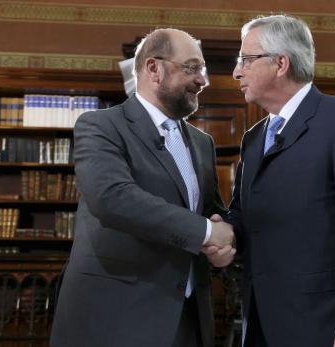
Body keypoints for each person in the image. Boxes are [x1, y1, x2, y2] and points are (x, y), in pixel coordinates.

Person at [213, 14, 335, 347]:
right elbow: (244, 217)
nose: (236, 72)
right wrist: (221, 231)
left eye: (246, 60)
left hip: (331, 324)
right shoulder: (254, 139)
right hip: (262, 324)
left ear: (281, 63)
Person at [50, 28, 236, 347]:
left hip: (188, 320)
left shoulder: (202, 143)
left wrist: (225, 246)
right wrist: (206, 232)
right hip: (116, 319)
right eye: (192, 68)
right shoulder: (101, 126)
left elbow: (210, 213)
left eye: (202, 70)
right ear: (154, 68)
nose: (203, 80)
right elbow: (112, 198)